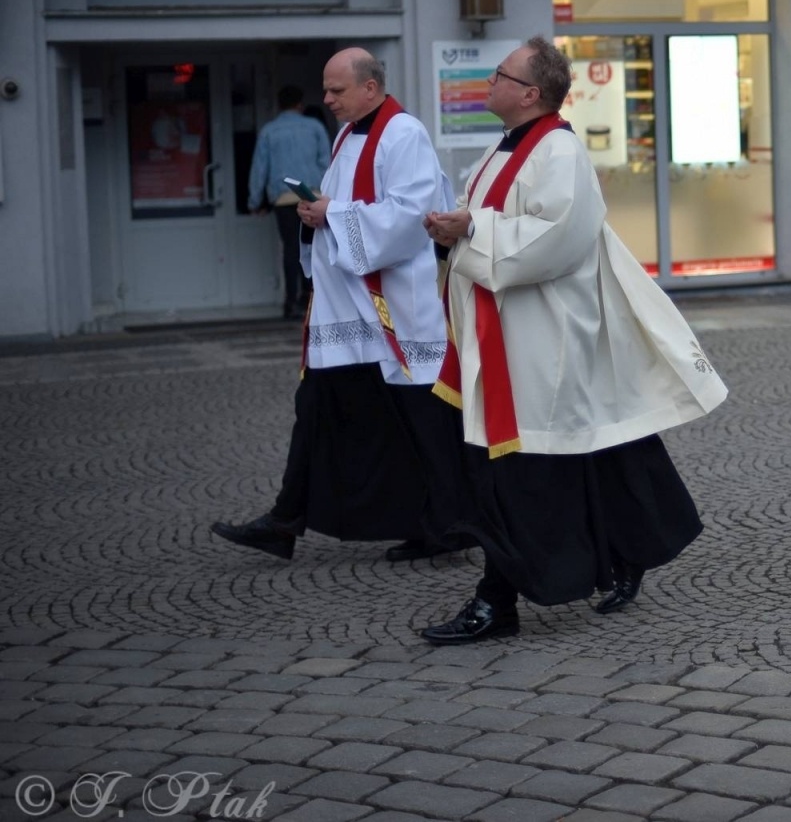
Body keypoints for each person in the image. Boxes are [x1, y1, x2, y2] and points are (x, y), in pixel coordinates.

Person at [417, 36, 726, 644]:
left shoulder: (559, 151)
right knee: (583, 453)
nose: (489, 82)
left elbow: (554, 242)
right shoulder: (503, 149)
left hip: (546, 335)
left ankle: (497, 599)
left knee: (525, 470)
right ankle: (622, 552)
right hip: (506, 332)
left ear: (531, 93)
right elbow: (494, 221)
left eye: (500, 75)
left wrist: (471, 228)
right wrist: (452, 228)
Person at [212, 49, 464, 562]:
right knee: (320, 408)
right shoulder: (349, 135)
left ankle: (446, 527)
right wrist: (315, 212)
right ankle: (286, 520)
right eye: (326, 91)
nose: (325, 100)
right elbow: (342, 204)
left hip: (393, 306)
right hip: (346, 306)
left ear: (370, 87)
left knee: (419, 422)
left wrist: (332, 213)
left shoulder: (404, 134)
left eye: (336, 90)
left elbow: (409, 216)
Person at [246, 85, 331, 319]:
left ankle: (290, 301)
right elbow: (327, 163)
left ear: (279, 105)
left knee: (291, 249)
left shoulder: (269, 131)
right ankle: (312, 298)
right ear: (300, 104)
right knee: (314, 248)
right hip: (312, 196)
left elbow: (259, 169)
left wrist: (255, 201)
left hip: (283, 198)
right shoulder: (315, 127)